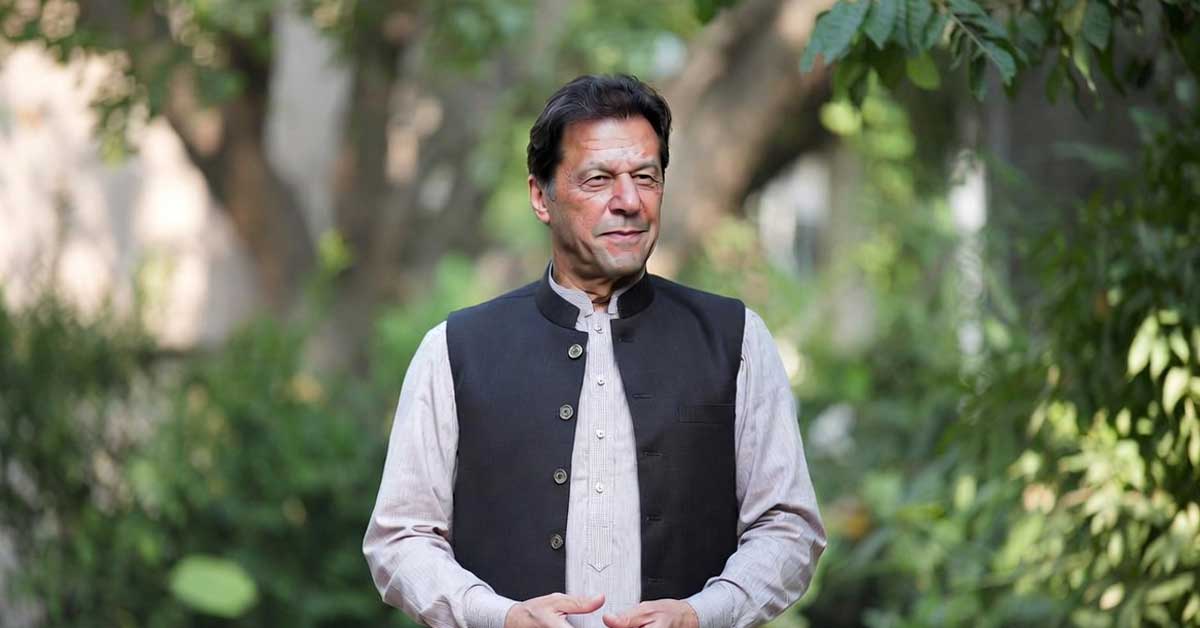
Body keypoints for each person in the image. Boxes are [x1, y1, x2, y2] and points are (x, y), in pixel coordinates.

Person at [363, 74, 825, 628]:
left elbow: (788, 528)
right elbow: (400, 538)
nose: (628, 202)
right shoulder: (454, 350)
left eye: (645, 178)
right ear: (541, 196)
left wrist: (702, 614)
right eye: (598, 179)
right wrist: (497, 617)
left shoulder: (736, 339)